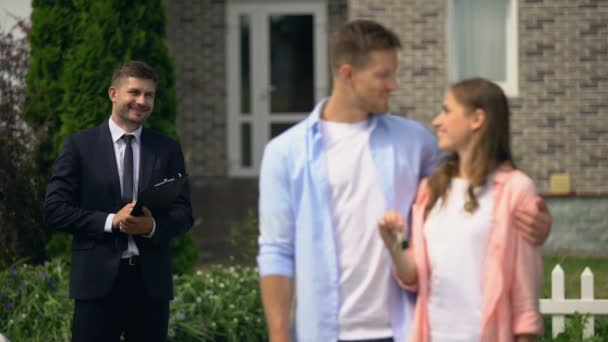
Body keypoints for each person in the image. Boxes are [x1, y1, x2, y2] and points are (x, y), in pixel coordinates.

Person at [257, 20, 551, 342]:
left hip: (403, 330)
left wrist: (535, 219)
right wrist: (280, 336)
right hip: (324, 333)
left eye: (393, 73)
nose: (393, 85)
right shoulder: (284, 153)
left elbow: (478, 182)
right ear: (347, 74)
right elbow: (276, 251)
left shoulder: (414, 141)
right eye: (383, 75)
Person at [378, 78, 544, 341]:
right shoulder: (430, 190)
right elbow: (414, 277)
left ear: (477, 119)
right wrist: (396, 245)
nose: (436, 121)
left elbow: (525, 297)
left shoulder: (516, 190)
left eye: (446, 110)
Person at [44, 60, 193, 342]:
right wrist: (112, 221)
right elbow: (54, 210)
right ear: (114, 94)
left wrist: (150, 226)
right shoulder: (79, 146)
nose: (142, 101)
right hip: (96, 286)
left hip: (150, 289)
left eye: (149, 95)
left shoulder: (167, 148)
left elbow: (184, 213)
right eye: (134, 92)